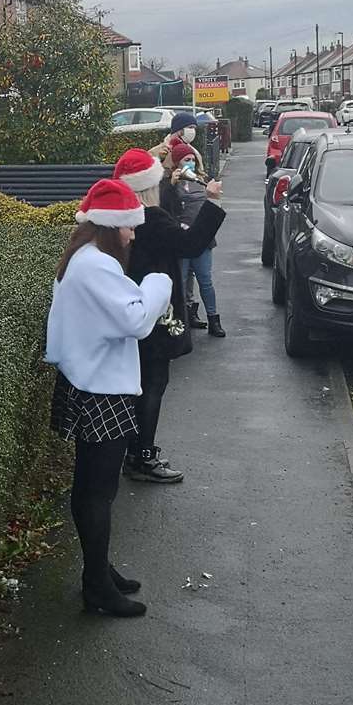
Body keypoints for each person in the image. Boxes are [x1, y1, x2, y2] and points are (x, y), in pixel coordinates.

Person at [46, 179, 173, 616]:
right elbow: (137, 320)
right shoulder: (96, 265)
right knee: (97, 492)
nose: (133, 235)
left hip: (91, 384)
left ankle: (98, 570)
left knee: (92, 489)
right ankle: (97, 586)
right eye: (129, 227)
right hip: (101, 390)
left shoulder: (83, 258)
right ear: (111, 226)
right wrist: (159, 282)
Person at [114, 147, 225, 484]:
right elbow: (192, 244)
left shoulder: (119, 219)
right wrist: (212, 200)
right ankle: (142, 456)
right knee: (154, 384)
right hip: (156, 313)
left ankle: (133, 450)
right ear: (148, 185)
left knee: (137, 384)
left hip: (129, 308)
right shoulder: (153, 219)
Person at [164, 142, 225, 338]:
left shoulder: (202, 179)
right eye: (185, 160)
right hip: (181, 238)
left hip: (203, 240)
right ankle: (183, 319)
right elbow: (165, 205)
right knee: (181, 280)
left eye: (192, 159)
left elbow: (213, 202)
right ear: (177, 163)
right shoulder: (171, 182)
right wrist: (171, 185)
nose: (190, 162)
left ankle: (214, 319)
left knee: (205, 280)